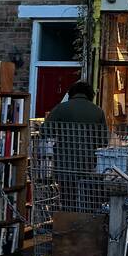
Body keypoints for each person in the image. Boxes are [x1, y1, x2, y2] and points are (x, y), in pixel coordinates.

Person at [43, 81, 108, 209]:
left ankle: (68, 219)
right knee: (89, 197)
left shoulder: (61, 108)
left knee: (68, 196)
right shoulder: (98, 111)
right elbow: (103, 141)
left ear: (71, 93)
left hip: (65, 162)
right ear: (90, 95)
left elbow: (45, 132)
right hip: (89, 163)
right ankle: (87, 220)